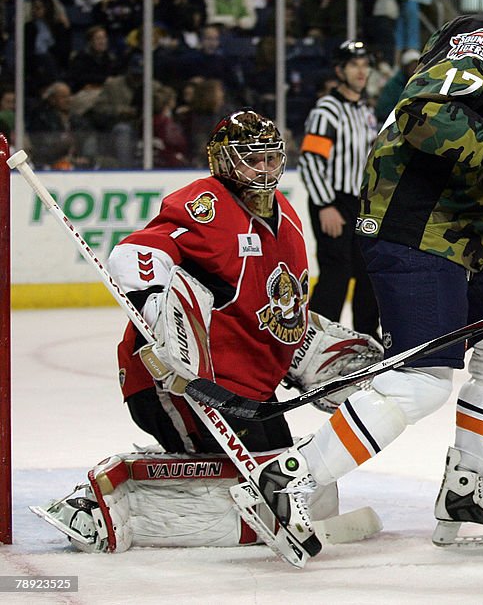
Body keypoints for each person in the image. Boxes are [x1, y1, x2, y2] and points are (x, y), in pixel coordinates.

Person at [244, 0, 483, 555]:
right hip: (417, 231)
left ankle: (465, 490)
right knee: (423, 379)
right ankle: (290, 480)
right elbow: (425, 114)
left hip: (465, 246)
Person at [31, 110, 383, 555]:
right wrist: (157, 311)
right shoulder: (206, 203)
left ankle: (165, 476)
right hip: (178, 382)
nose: (264, 169)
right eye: (251, 159)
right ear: (222, 160)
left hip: (247, 392)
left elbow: (279, 313)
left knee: (288, 476)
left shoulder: (289, 220)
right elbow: (134, 253)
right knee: (248, 486)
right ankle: (98, 506)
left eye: (272, 159)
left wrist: (319, 355)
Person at [298, 40, 381, 337]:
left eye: (364, 65)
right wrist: (325, 205)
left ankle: (366, 339)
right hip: (333, 200)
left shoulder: (364, 111)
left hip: (359, 203)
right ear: (339, 70)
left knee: (368, 273)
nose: (361, 71)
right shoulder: (327, 110)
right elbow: (309, 161)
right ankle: (314, 343)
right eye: (354, 65)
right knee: (337, 273)